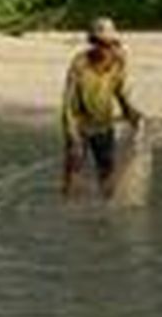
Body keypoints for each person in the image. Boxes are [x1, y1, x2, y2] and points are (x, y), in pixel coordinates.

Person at [61, 17, 145, 199]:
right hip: (79, 126)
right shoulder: (80, 64)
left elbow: (122, 96)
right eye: (100, 43)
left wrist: (133, 115)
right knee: (73, 173)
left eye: (109, 44)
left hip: (103, 127)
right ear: (93, 43)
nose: (105, 48)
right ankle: (69, 209)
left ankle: (106, 211)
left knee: (106, 174)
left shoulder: (118, 64)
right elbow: (68, 104)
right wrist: (72, 135)